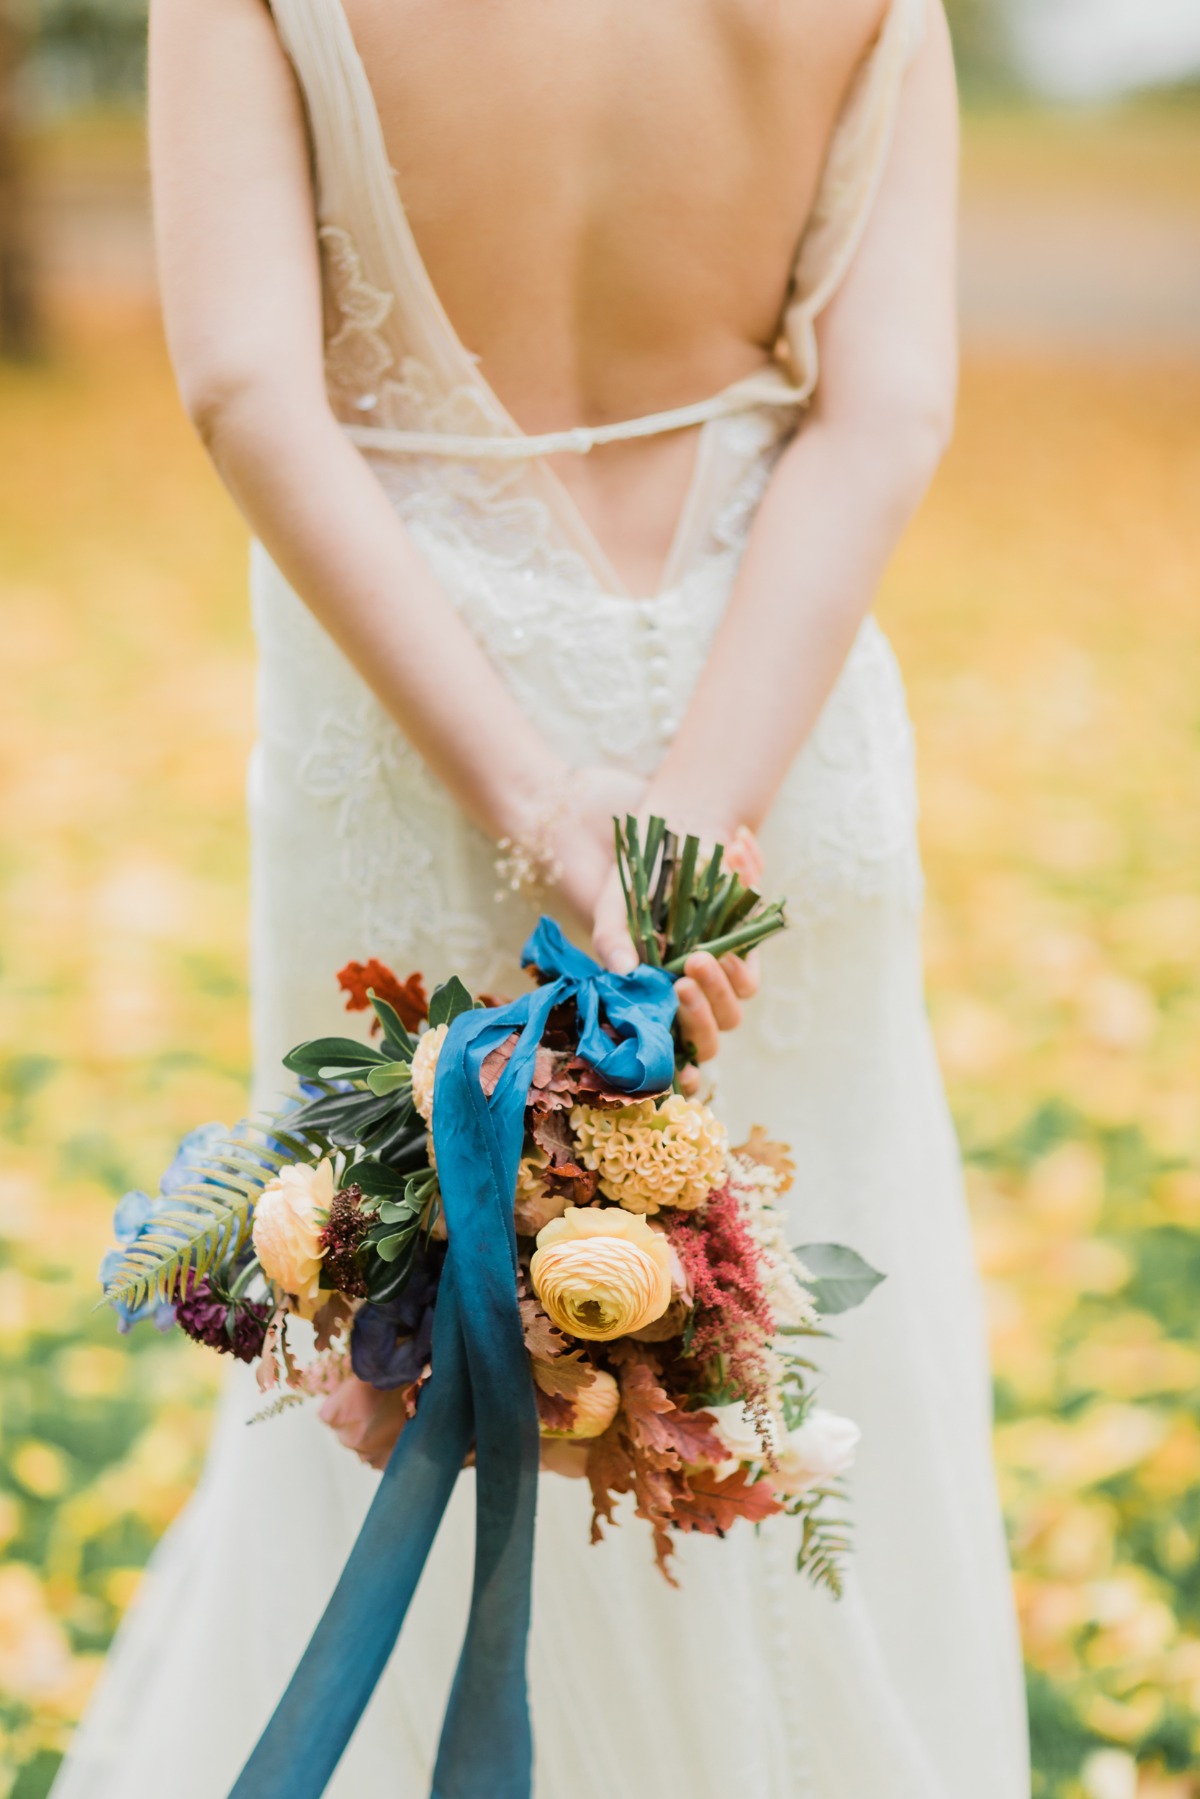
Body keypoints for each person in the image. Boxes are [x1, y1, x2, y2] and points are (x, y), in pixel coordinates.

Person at [53, 0, 1031, 1793]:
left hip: (421, 725)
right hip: (772, 718)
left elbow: (249, 387)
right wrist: (701, 819)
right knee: (807, 1367)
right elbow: (883, 404)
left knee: (390, 1344)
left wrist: (542, 802)